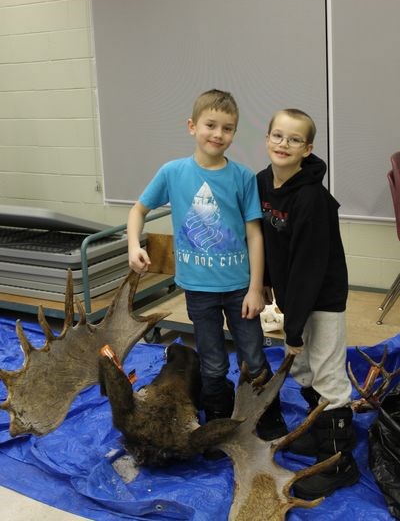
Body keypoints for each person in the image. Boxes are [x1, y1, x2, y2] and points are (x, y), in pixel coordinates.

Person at [128, 89, 286, 440]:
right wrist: (132, 244)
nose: (218, 134)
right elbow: (138, 209)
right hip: (198, 290)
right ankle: (217, 415)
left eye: (227, 128)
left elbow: (255, 235)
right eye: (210, 125)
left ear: (234, 133)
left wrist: (256, 287)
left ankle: (266, 413)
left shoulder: (243, 177)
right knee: (212, 362)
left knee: (254, 355)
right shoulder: (172, 172)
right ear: (191, 126)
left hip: (239, 289)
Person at [256, 108, 360, 499]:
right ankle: (320, 434)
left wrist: (295, 326)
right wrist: (265, 282)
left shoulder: (312, 199)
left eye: (294, 139)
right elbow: (265, 239)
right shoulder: (262, 183)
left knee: (327, 373)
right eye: (278, 136)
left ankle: (340, 462)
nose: (284, 144)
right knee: (301, 367)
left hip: (322, 295)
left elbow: (308, 268)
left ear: (308, 148)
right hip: (291, 294)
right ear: (267, 138)